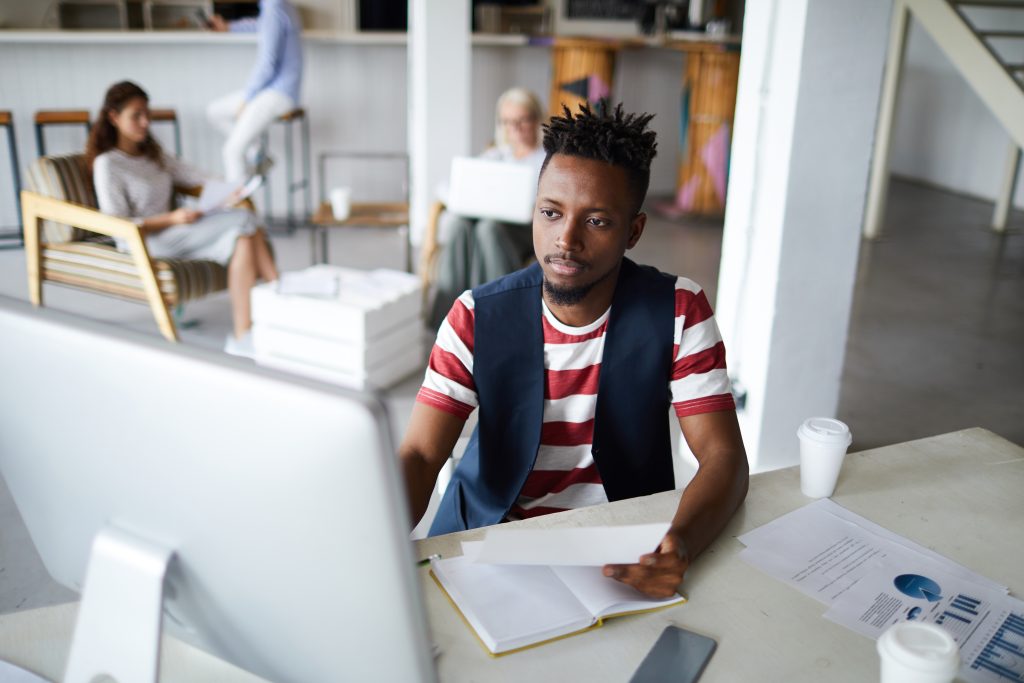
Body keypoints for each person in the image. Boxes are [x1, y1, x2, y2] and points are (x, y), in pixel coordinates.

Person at [400, 103, 749, 599]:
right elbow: (418, 452)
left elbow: (723, 456)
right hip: (486, 541)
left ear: (633, 232)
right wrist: (379, 534)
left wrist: (680, 545)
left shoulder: (679, 310)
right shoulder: (475, 315)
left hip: (618, 552)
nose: (565, 240)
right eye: (550, 213)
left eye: (598, 222)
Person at [88, 81, 278, 356]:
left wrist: (233, 187)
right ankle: (281, 292)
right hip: (143, 241)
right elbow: (116, 224)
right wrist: (171, 219)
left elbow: (195, 175)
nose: (145, 122)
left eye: (147, 114)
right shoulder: (108, 164)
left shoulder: (153, 154)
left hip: (175, 231)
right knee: (244, 220)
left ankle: (242, 336)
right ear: (114, 117)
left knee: (244, 239)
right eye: (136, 116)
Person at [428, 87, 547, 329]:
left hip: (528, 227)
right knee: (457, 224)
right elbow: (445, 188)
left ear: (536, 120)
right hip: (489, 223)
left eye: (521, 120)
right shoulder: (495, 155)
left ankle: (497, 311)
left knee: (487, 229)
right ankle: (447, 312)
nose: (514, 128)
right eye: (507, 122)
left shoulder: (547, 158)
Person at [206, 0, 303, 183]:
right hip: (271, 91)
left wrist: (247, 99)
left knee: (232, 151)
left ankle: (238, 209)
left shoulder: (275, 8)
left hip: (278, 94)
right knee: (214, 111)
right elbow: (261, 25)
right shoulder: (278, 6)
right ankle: (257, 153)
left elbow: (268, 64)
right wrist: (229, 27)